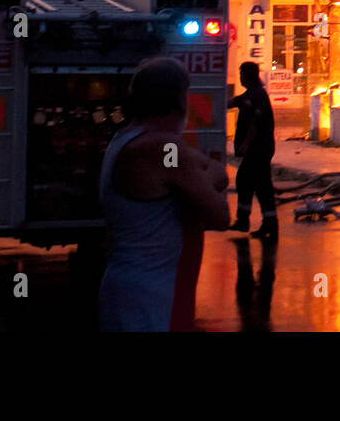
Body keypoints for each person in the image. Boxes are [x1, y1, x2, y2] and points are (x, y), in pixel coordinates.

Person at [99, 56, 230, 331]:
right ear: (180, 99)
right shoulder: (163, 147)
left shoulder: (130, 138)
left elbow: (212, 170)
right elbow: (220, 214)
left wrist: (198, 177)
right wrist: (202, 179)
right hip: (153, 300)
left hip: (134, 291)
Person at [228, 62, 278, 241]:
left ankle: (266, 224)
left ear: (247, 75)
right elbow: (233, 102)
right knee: (248, 181)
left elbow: (255, 124)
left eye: (241, 74)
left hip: (259, 149)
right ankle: (248, 220)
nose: (240, 78)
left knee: (258, 184)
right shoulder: (250, 94)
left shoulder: (257, 96)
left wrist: (245, 144)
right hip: (257, 150)